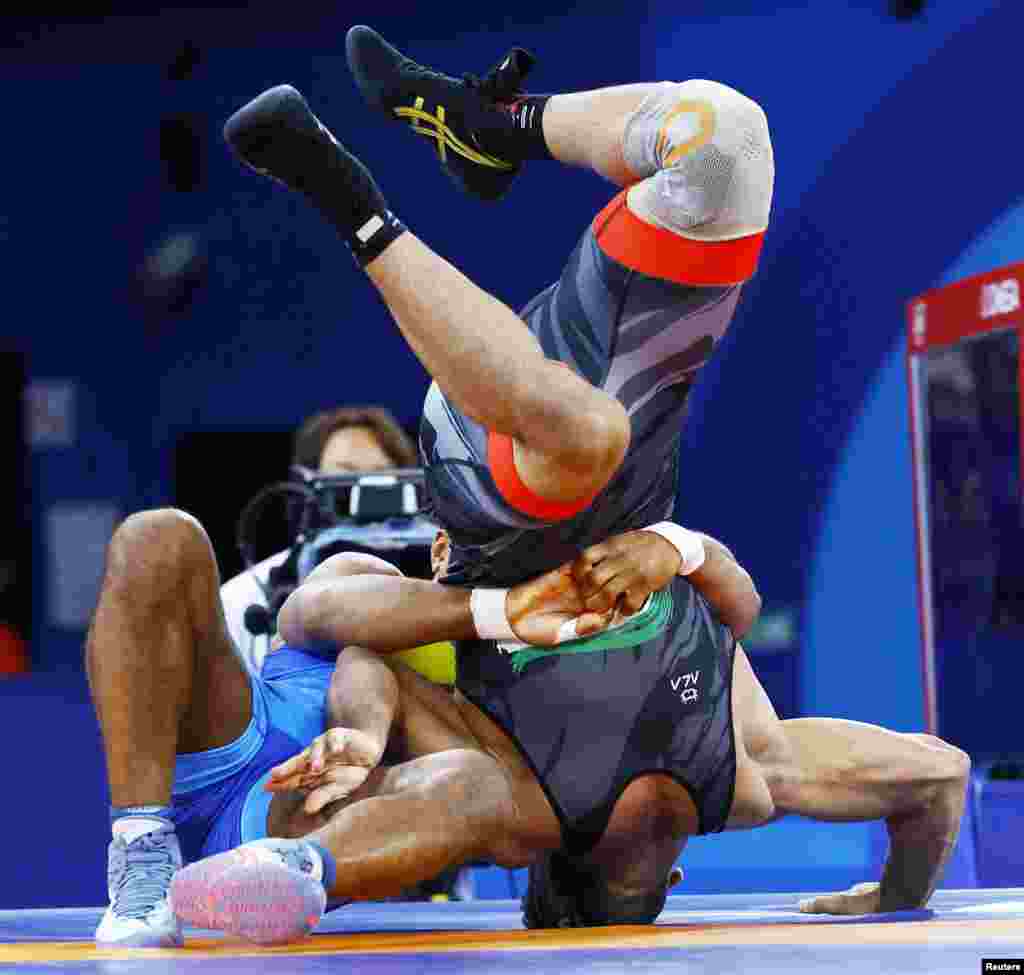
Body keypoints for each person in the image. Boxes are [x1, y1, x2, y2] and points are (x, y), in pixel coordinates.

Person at [192, 27, 966, 936]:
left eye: (620, 884)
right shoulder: (750, 774)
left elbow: (328, 625)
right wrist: (898, 899)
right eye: (656, 881)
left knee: (583, 437)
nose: (649, 863)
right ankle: (493, 124)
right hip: (634, 432)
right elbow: (938, 775)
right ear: (677, 880)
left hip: (495, 458)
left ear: (565, 872)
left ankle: (349, 200)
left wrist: (418, 681)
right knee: (724, 145)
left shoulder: (524, 808)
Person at [169, 523, 969, 943]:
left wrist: (897, 894)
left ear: (670, 883)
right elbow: (355, 659)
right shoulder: (743, 775)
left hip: (550, 499)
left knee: (334, 601)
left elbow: (940, 775)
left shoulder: (742, 779)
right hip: (573, 495)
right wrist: (674, 544)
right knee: (325, 608)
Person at [86, 507, 724, 947]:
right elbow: (328, 616)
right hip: (242, 737)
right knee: (159, 538)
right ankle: (142, 848)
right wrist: (362, 729)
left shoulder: (544, 745)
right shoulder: (399, 590)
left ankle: (289, 874)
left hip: (308, 813)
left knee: (477, 783)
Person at [222, 405, 418, 674]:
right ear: (305, 488)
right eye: (345, 473)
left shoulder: (435, 579)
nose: (362, 488)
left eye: (381, 472)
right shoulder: (245, 597)